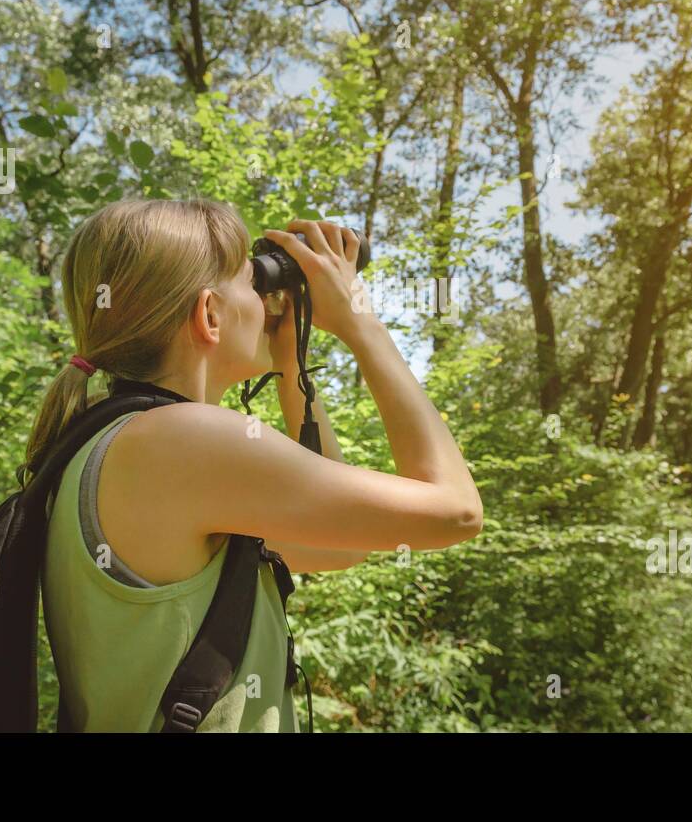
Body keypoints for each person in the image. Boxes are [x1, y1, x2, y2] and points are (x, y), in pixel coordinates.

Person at [33, 197, 483, 731]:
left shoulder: (115, 440)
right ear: (209, 315)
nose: (266, 300)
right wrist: (362, 325)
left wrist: (291, 360)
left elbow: (340, 547)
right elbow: (457, 512)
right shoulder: (181, 440)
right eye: (252, 283)